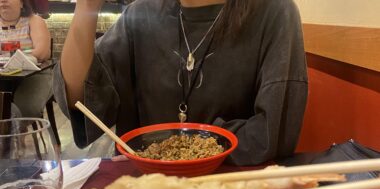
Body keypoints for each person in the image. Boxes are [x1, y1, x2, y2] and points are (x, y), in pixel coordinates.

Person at [54, 0, 308, 165]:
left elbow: (274, 133)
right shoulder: (140, 13)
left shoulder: (275, 12)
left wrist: (189, 148)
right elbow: (80, 98)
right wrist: (88, 5)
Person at [0, 0, 52, 118]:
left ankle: (15, 132)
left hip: (34, 74)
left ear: (22, 3)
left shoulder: (34, 21)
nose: (3, 0)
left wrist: (7, 57)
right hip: (3, 76)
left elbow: (42, 52)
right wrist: (24, 54)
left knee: (23, 110)